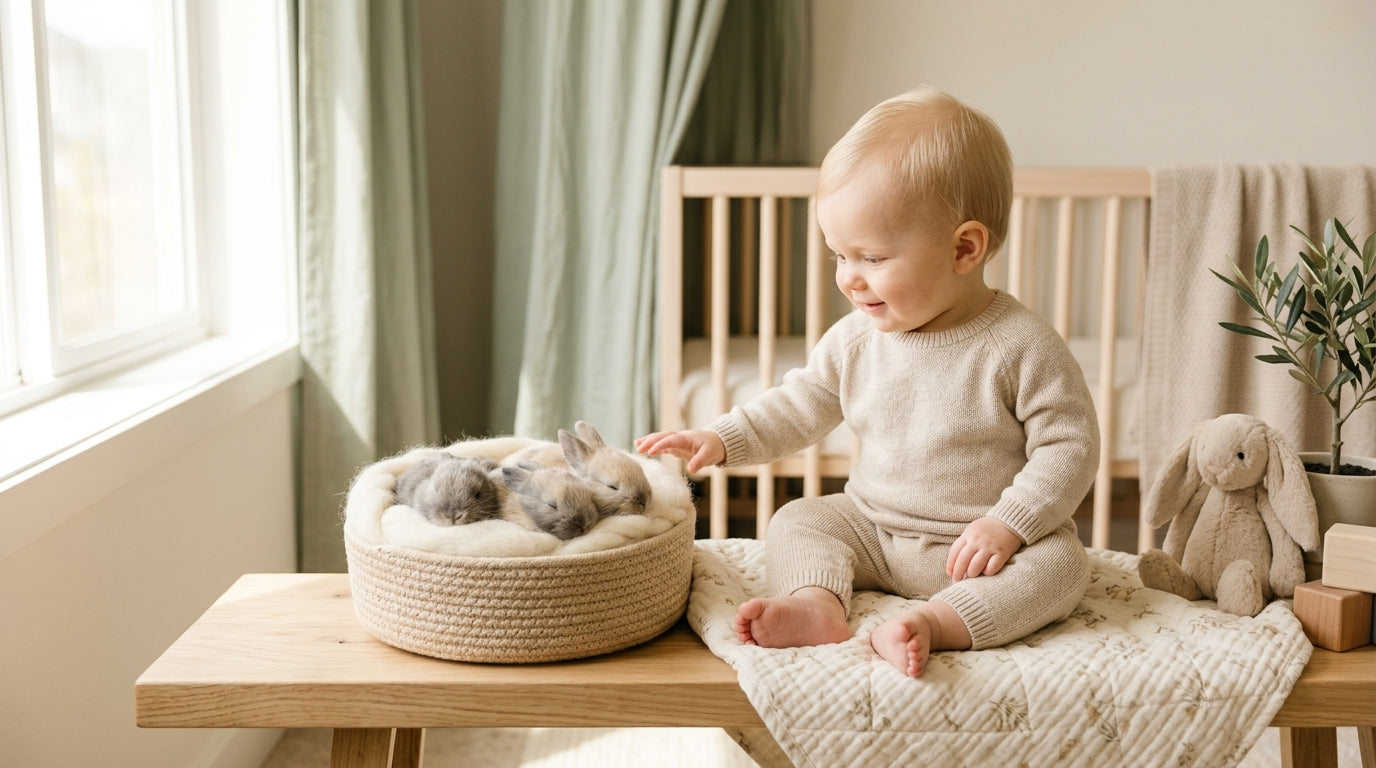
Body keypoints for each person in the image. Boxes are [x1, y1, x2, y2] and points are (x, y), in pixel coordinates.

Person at [635, 85, 1097, 678]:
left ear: (964, 248)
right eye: (838, 256)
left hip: (982, 547)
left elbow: (1070, 446)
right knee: (798, 518)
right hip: (872, 528)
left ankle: (939, 622)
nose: (850, 280)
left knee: (1061, 566)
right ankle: (816, 604)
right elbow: (799, 403)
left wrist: (1010, 523)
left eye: (872, 258)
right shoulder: (856, 339)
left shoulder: (1020, 344)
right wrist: (723, 438)